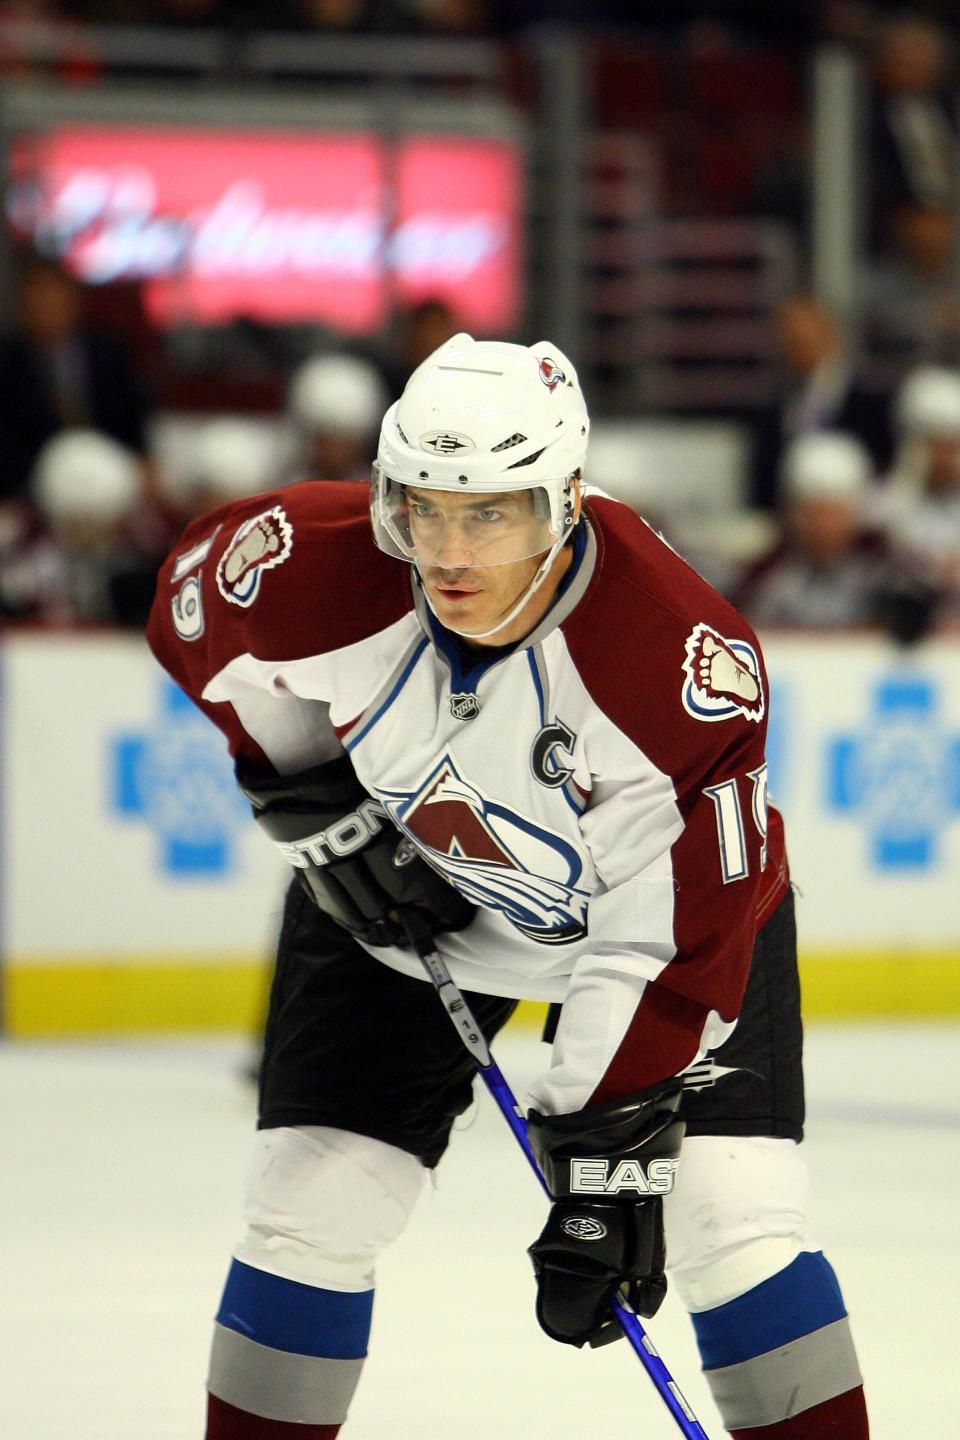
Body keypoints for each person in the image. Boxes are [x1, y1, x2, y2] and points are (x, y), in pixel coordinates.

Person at [147, 335, 869, 1440]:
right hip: (405, 911)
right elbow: (198, 621)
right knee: (307, 1204)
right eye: (423, 508)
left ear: (566, 501)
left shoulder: (676, 663)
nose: (448, 552)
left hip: (663, 938)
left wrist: (606, 1158)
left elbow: (666, 940)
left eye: (491, 513)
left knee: (734, 1224)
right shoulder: (319, 561)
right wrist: (307, 789)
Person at [748, 293, 892, 511]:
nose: (798, 344)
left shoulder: (870, 400)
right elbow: (764, 480)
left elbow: (883, 471)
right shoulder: (773, 407)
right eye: (791, 338)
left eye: (806, 335)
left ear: (830, 334)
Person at [737, 430, 889, 629]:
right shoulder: (766, 583)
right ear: (793, 516)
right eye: (814, 516)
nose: (823, 528)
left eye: (835, 516)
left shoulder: (882, 578)